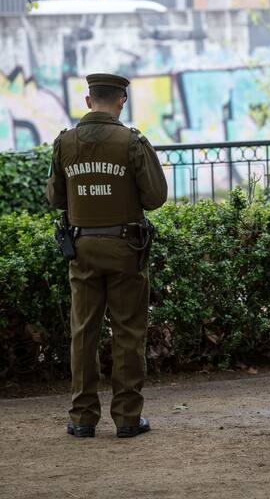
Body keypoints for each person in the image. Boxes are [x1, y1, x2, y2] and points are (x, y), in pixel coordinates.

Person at [46, 73, 168, 438]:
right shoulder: (132, 142)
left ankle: (82, 418)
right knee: (128, 332)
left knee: (83, 332)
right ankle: (128, 418)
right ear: (122, 100)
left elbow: (55, 198)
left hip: (81, 250)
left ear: (88, 100)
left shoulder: (65, 142)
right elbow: (156, 197)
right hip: (126, 250)